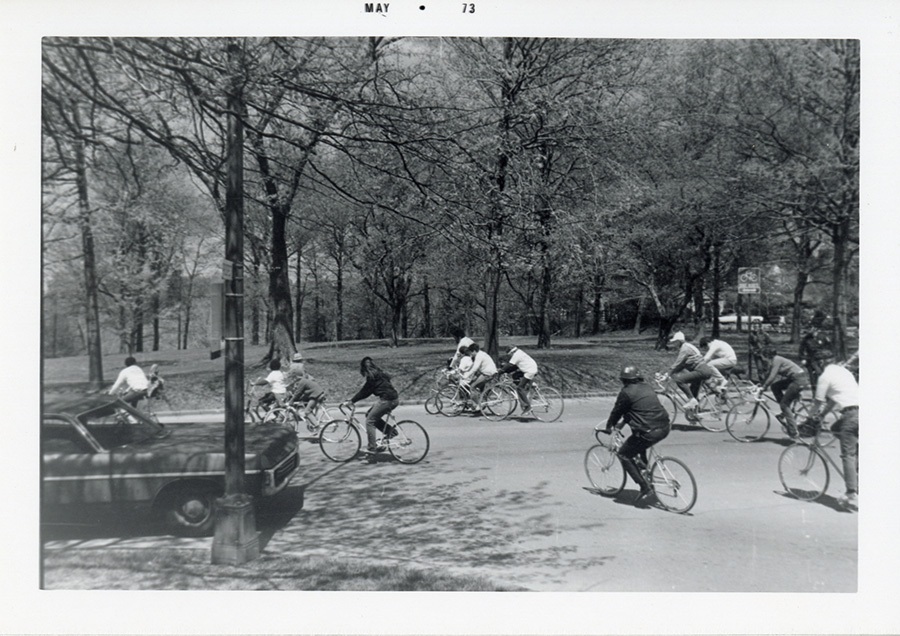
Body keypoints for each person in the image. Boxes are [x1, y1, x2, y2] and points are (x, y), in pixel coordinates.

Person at [602, 365, 672, 507]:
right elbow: (637, 410)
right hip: (664, 427)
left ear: (624, 380)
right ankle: (643, 464)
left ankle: (644, 486)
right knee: (638, 438)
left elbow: (617, 411)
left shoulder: (626, 392)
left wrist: (609, 426)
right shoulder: (647, 387)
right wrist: (623, 423)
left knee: (623, 454)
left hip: (648, 431)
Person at [807, 350, 859, 509]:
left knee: (847, 454)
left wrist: (809, 417)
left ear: (820, 362)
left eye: (814, 365)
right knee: (836, 428)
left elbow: (817, 401)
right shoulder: (842, 371)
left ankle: (851, 492)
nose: (814, 368)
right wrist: (822, 415)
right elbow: (832, 400)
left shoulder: (824, 377)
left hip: (851, 415)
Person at [342, 357, 400, 457]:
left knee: (369, 421)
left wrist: (352, 401)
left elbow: (365, 392)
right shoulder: (380, 374)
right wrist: (353, 400)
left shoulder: (372, 377)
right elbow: (367, 391)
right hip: (394, 399)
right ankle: (391, 432)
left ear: (364, 369)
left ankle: (372, 447)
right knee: (370, 414)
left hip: (387, 400)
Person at [759, 348, 809, 438]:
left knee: (784, 404)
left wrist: (764, 387)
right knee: (775, 387)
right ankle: (784, 412)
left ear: (767, 356)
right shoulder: (774, 361)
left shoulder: (776, 360)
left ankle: (794, 431)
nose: (762, 359)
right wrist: (760, 384)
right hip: (794, 378)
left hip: (798, 380)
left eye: (762, 357)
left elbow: (772, 376)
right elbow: (768, 375)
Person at [667, 331, 715, 412]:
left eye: (675, 342)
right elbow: (681, 365)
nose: (674, 344)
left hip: (701, 371)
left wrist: (669, 373)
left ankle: (692, 400)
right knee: (692, 390)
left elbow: (678, 363)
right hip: (704, 370)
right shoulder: (687, 346)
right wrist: (670, 373)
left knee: (679, 380)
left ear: (679, 341)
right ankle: (695, 413)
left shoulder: (685, 349)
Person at [500, 345, 539, 417]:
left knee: (519, 388)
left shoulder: (516, 355)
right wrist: (506, 371)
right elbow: (514, 367)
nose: (510, 356)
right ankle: (525, 390)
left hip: (529, 371)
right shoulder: (519, 352)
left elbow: (510, 364)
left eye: (510, 354)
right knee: (515, 376)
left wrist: (501, 371)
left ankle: (527, 407)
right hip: (531, 369)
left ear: (512, 352)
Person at [799, 311, 832, 387]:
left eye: (814, 328)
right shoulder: (807, 338)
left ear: (817, 329)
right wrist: (803, 358)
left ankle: (824, 394)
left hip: (823, 359)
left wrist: (828, 356)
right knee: (813, 378)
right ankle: (815, 395)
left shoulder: (823, 337)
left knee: (824, 377)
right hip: (811, 360)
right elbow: (802, 349)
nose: (811, 329)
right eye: (810, 327)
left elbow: (829, 347)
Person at [461, 343, 498, 409]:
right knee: (478, 386)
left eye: (471, 352)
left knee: (472, 387)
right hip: (490, 372)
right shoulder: (482, 354)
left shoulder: (479, 356)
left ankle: (479, 405)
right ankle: (481, 400)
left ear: (474, 351)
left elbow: (475, 368)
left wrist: (466, 376)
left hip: (487, 374)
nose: (471, 354)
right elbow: (475, 368)